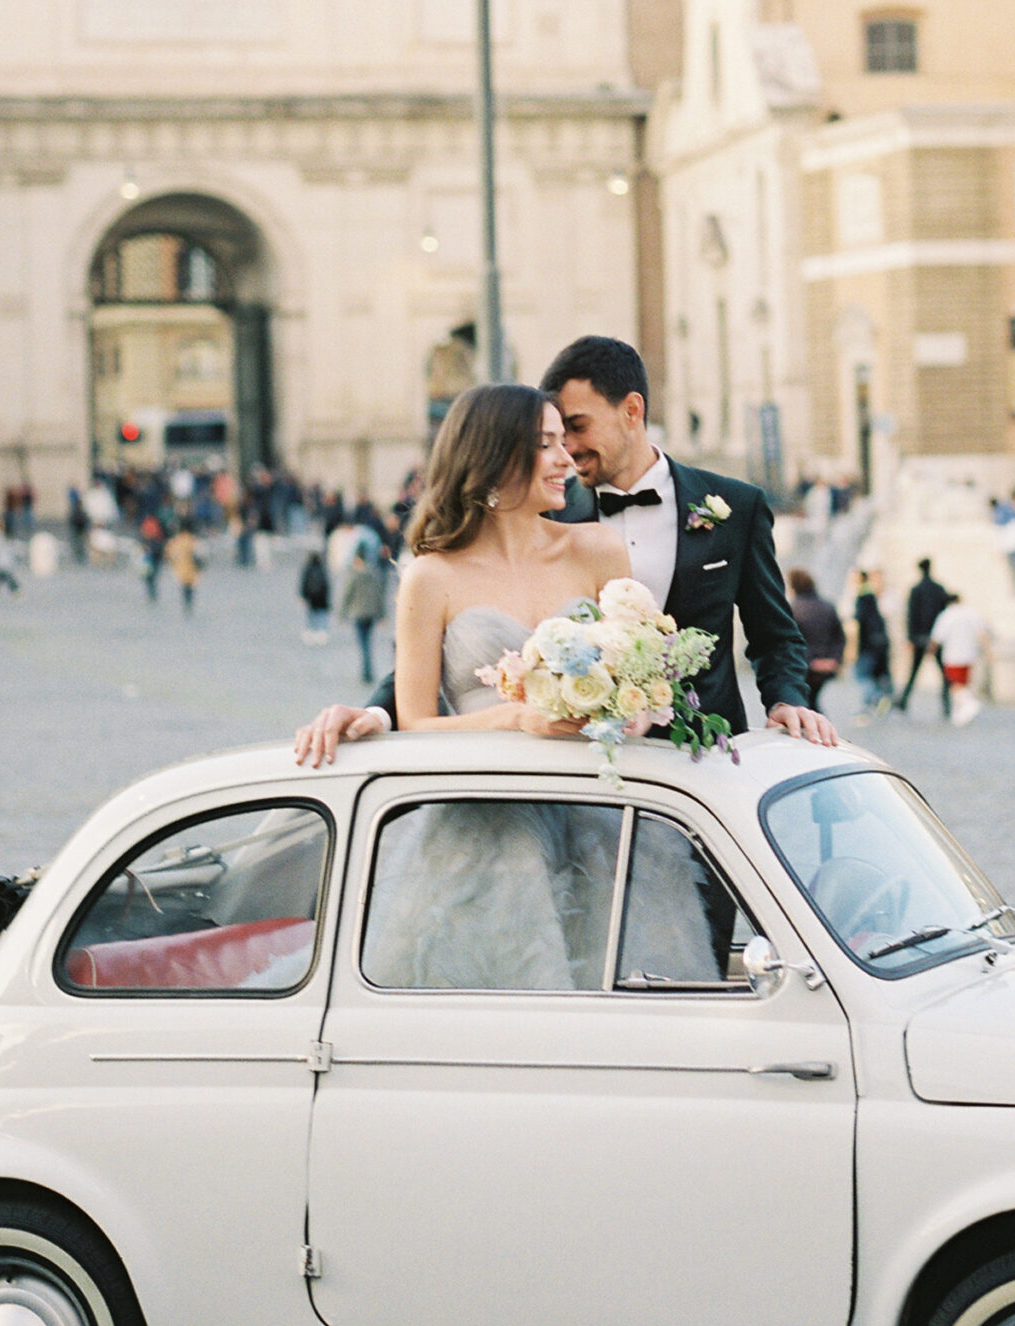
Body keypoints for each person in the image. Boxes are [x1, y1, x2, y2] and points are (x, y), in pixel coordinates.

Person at [294, 334, 832, 763]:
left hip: (700, 768)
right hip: (573, 773)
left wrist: (789, 701)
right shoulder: (546, 512)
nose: (568, 453)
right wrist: (377, 714)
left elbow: (773, 632)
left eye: (576, 428)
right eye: (551, 439)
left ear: (632, 410)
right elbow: (455, 650)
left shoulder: (734, 506)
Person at [356, 384, 715, 990]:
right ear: (493, 457)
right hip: (492, 826)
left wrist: (637, 711)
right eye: (544, 444)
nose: (566, 458)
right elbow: (416, 722)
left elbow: (639, 669)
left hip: (600, 814)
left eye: (564, 441)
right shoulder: (431, 577)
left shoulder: (597, 548)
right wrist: (517, 719)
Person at [787, 567, 845, 710]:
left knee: (806, 704)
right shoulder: (828, 606)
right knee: (811, 702)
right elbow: (839, 637)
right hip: (826, 665)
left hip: (804, 665)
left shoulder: (793, 609)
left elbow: (791, 640)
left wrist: (811, 661)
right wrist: (834, 659)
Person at [928, 594, 990, 727]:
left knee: (955, 685)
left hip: (952, 655)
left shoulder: (946, 615)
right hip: (969, 655)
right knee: (963, 683)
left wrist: (930, 651)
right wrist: (988, 652)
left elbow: (936, 637)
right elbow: (982, 633)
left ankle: (970, 703)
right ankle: (960, 714)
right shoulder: (971, 613)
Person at [899, 559, 951, 715]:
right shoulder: (939, 589)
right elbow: (944, 614)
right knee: (943, 674)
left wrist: (910, 637)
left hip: (920, 637)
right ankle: (946, 703)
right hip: (936, 637)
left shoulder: (916, 590)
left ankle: (903, 700)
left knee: (914, 672)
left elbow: (911, 615)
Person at [338, 544, 387, 686]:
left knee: (363, 643)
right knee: (368, 642)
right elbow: (379, 595)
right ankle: (368, 671)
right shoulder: (374, 574)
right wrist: (382, 614)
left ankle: (366, 672)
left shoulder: (354, 575)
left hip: (358, 613)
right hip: (371, 613)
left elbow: (347, 594)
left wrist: (342, 613)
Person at [851, 570, 893, 717]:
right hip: (879, 642)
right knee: (875, 675)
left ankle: (875, 699)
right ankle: (876, 701)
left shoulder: (863, 596)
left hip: (868, 643)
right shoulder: (873, 596)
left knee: (861, 675)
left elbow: (860, 619)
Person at [165, 525, 202, 616]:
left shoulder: (175, 541)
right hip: (192, 568)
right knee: (190, 586)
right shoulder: (193, 540)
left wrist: (172, 563)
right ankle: (189, 602)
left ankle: (186, 602)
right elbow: (200, 552)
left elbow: (169, 554)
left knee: (184, 586)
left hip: (181, 567)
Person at [299, 545, 331, 644]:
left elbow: (303, 583)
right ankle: (322, 632)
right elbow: (327, 584)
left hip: (310, 597)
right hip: (322, 597)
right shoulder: (322, 569)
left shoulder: (307, 569)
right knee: (321, 615)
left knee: (311, 615)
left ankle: (310, 632)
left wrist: (302, 596)